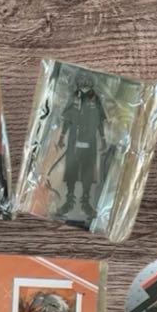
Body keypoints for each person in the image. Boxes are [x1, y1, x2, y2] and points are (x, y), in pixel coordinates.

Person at [57, 72, 108, 220]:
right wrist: (62, 137)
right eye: (81, 79)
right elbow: (67, 119)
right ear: (77, 82)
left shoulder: (95, 99)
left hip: (90, 140)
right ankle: (69, 201)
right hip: (74, 139)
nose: (84, 81)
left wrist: (103, 139)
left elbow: (100, 121)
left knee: (87, 170)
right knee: (71, 169)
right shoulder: (73, 97)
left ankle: (86, 203)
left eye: (87, 79)